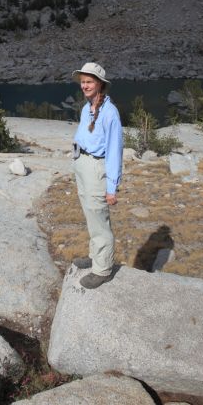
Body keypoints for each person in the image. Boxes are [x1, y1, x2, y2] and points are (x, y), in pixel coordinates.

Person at [71, 62, 123, 289]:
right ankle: (95, 258)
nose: (85, 85)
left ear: (100, 84)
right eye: (83, 81)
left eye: (89, 81)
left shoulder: (110, 113)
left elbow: (114, 150)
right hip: (82, 164)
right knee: (90, 214)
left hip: (96, 168)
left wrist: (112, 187)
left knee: (99, 218)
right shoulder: (87, 108)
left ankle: (103, 269)